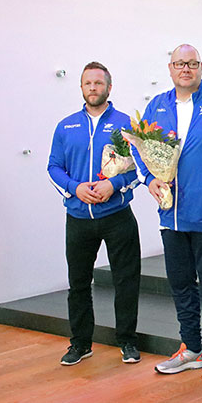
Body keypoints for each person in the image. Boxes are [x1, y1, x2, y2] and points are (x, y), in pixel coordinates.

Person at [131, 44, 202, 382]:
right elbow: (137, 148)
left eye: (192, 63)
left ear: (201, 67)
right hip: (171, 215)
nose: (186, 69)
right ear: (170, 68)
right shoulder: (157, 106)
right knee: (180, 283)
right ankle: (191, 347)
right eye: (180, 63)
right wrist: (149, 178)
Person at [48, 61, 141, 366]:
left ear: (109, 87)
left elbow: (142, 168)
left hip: (117, 216)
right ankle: (80, 343)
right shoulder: (66, 126)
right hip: (78, 218)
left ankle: (127, 340)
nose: (93, 88)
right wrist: (75, 188)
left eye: (98, 83)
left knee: (126, 281)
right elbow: (54, 167)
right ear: (81, 88)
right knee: (78, 284)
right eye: (88, 83)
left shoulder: (127, 124)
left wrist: (114, 185)